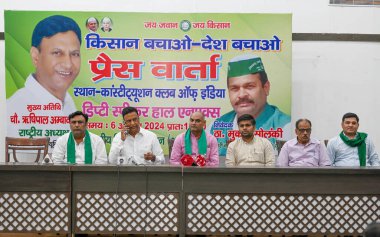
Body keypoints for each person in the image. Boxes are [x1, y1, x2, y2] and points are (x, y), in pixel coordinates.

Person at [6, 15, 81, 150]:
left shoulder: (69, 104)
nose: (68, 64)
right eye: (57, 53)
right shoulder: (14, 110)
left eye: (75, 54)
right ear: (35, 56)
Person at [209, 54, 291, 155]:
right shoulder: (215, 127)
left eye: (249, 86)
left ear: (266, 88)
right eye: (234, 88)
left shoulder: (285, 127)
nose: (242, 95)